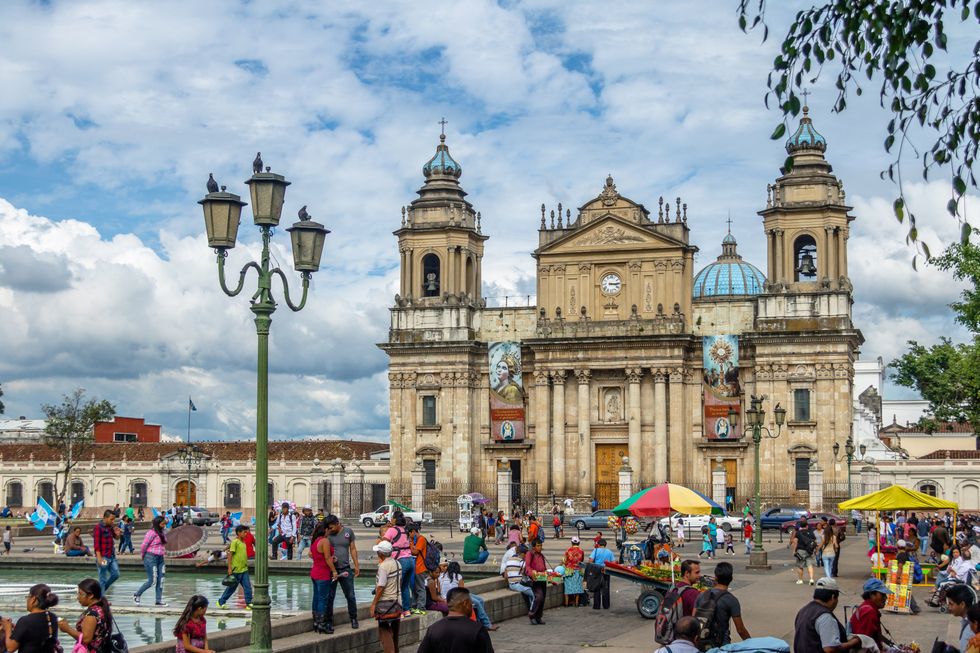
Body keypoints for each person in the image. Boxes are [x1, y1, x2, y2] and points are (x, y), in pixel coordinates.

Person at [792, 577, 862, 653]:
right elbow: (830, 649)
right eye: (837, 598)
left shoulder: (803, 610)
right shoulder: (825, 616)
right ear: (833, 597)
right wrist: (853, 642)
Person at [416, 587, 495, 653]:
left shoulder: (433, 629)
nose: (472, 607)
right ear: (466, 603)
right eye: (472, 604)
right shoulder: (477, 629)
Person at [694, 562, 750, 648]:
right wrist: (751, 643)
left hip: (702, 643)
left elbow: (693, 618)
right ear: (731, 579)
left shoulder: (701, 595)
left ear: (715, 577)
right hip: (722, 645)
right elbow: (740, 630)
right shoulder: (731, 600)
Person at [1, 583, 60, 652]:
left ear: (33, 599)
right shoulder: (53, 617)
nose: (27, 600)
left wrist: (7, 628)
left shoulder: (25, 621)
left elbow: (11, 648)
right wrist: (18, 629)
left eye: (28, 597)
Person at [438, 561, 496, 630]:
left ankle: (479, 622)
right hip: (456, 597)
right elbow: (462, 592)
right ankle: (487, 624)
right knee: (478, 602)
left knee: (480, 600)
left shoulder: (441, 576)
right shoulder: (458, 576)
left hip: (449, 596)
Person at [57, 578, 112, 653]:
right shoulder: (102, 608)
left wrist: (67, 629)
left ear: (90, 595)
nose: (78, 597)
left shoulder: (91, 614)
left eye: (80, 594)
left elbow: (86, 639)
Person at [325, 514, 360, 630]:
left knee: (350, 596)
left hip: (345, 569)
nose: (330, 530)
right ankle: (329, 621)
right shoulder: (327, 534)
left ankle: (354, 618)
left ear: (337, 523)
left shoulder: (348, 532)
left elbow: (353, 549)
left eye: (331, 527)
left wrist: (356, 566)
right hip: (331, 571)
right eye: (328, 528)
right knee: (330, 597)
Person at [369, 540, 402, 653]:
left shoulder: (383, 566)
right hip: (397, 602)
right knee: (395, 632)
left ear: (381, 554)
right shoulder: (397, 563)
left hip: (386, 604)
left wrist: (373, 604)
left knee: (384, 632)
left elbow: (381, 587)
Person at [383, 513, 415, 618]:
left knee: (397, 587)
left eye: (392, 518)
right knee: (405, 587)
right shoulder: (405, 530)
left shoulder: (392, 530)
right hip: (410, 560)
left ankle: (399, 611)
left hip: (401, 560)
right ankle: (407, 610)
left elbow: (384, 544)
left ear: (395, 519)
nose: (390, 520)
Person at [309, 519, 338, 634]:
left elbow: (311, 553)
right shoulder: (325, 541)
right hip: (323, 574)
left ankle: (316, 622)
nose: (330, 531)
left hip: (314, 572)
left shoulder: (315, 541)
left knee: (316, 597)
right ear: (325, 530)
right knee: (323, 599)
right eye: (329, 529)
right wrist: (334, 571)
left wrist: (319, 559)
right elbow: (327, 557)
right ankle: (322, 624)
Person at [848, 578, 893, 651]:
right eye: (882, 594)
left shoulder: (867, 608)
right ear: (872, 594)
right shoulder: (869, 611)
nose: (885, 598)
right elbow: (865, 643)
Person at [134, 515, 168, 606]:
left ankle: (158, 600)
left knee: (161, 580)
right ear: (157, 524)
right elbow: (144, 545)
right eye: (162, 524)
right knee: (152, 580)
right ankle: (137, 594)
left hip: (160, 558)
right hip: (150, 557)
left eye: (164, 524)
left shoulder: (163, 532)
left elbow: (163, 544)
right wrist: (143, 556)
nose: (164, 525)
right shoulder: (151, 533)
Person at [217, 525, 253, 609]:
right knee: (231, 588)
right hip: (236, 570)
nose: (246, 534)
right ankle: (221, 602)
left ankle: (249, 603)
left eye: (246, 532)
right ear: (239, 533)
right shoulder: (235, 542)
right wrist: (229, 568)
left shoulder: (243, 542)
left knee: (248, 587)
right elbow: (230, 554)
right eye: (244, 532)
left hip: (244, 569)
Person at [92, 509, 121, 591]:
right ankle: (101, 598)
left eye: (114, 519)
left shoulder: (110, 527)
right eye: (111, 519)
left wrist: (118, 534)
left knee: (116, 574)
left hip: (111, 556)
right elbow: (96, 544)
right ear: (105, 518)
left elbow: (116, 537)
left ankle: (102, 589)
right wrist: (99, 558)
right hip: (104, 557)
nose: (113, 521)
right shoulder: (98, 527)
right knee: (103, 577)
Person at [946, 584, 976, 653]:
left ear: (962, 604)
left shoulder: (972, 627)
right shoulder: (967, 622)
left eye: (951, 604)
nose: (949, 607)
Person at [525, 540, 548, 624]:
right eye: (538, 546)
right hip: (534, 580)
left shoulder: (541, 555)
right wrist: (533, 573)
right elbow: (527, 566)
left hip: (542, 579)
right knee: (539, 597)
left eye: (541, 545)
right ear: (534, 547)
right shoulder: (529, 554)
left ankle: (539, 617)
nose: (540, 547)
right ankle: (532, 615)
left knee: (543, 599)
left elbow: (544, 567)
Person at [588, 538, 615, 610]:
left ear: (598, 544)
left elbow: (590, 560)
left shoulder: (596, 550)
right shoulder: (609, 552)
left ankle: (597, 605)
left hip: (597, 571)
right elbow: (613, 562)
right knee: (605, 588)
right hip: (606, 571)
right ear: (605, 545)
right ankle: (606, 605)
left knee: (597, 588)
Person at [791, 519, 817, 586]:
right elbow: (814, 542)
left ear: (800, 526)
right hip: (809, 551)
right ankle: (811, 579)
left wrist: (794, 551)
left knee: (800, 566)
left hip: (800, 551)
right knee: (810, 565)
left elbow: (795, 542)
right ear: (807, 526)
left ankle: (800, 580)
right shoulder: (811, 532)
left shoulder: (798, 533)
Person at [562, 536, 585, 607]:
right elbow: (582, 560)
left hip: (569, 570)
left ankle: (566, 603)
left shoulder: (568, 551)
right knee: (577, 587)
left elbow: (565, 561)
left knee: (568, 587)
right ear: (579, 543)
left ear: (571, 542)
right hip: (578, 570)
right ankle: (577, 603)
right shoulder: (581, 551)